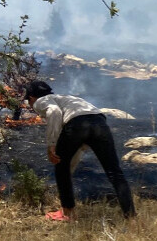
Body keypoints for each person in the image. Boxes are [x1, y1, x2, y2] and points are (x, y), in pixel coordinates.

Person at [25, 81, 136, 221]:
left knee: (61, 166)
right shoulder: (67, 98)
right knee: (114, 172)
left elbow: (54, 112)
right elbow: (77, 143)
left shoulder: (40, 101)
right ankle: (131, 218)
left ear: (31, 97)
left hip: (77, 124)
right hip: (99, 123)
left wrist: (51, 145)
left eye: (29, 101)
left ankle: (67, 213)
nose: (30, 105)